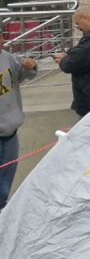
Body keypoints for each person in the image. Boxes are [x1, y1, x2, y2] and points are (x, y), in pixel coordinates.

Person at [0, 51, 38, 210]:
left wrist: (31, 66)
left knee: (5, 181)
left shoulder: (6, 56)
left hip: (10, 133)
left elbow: (24, 73)